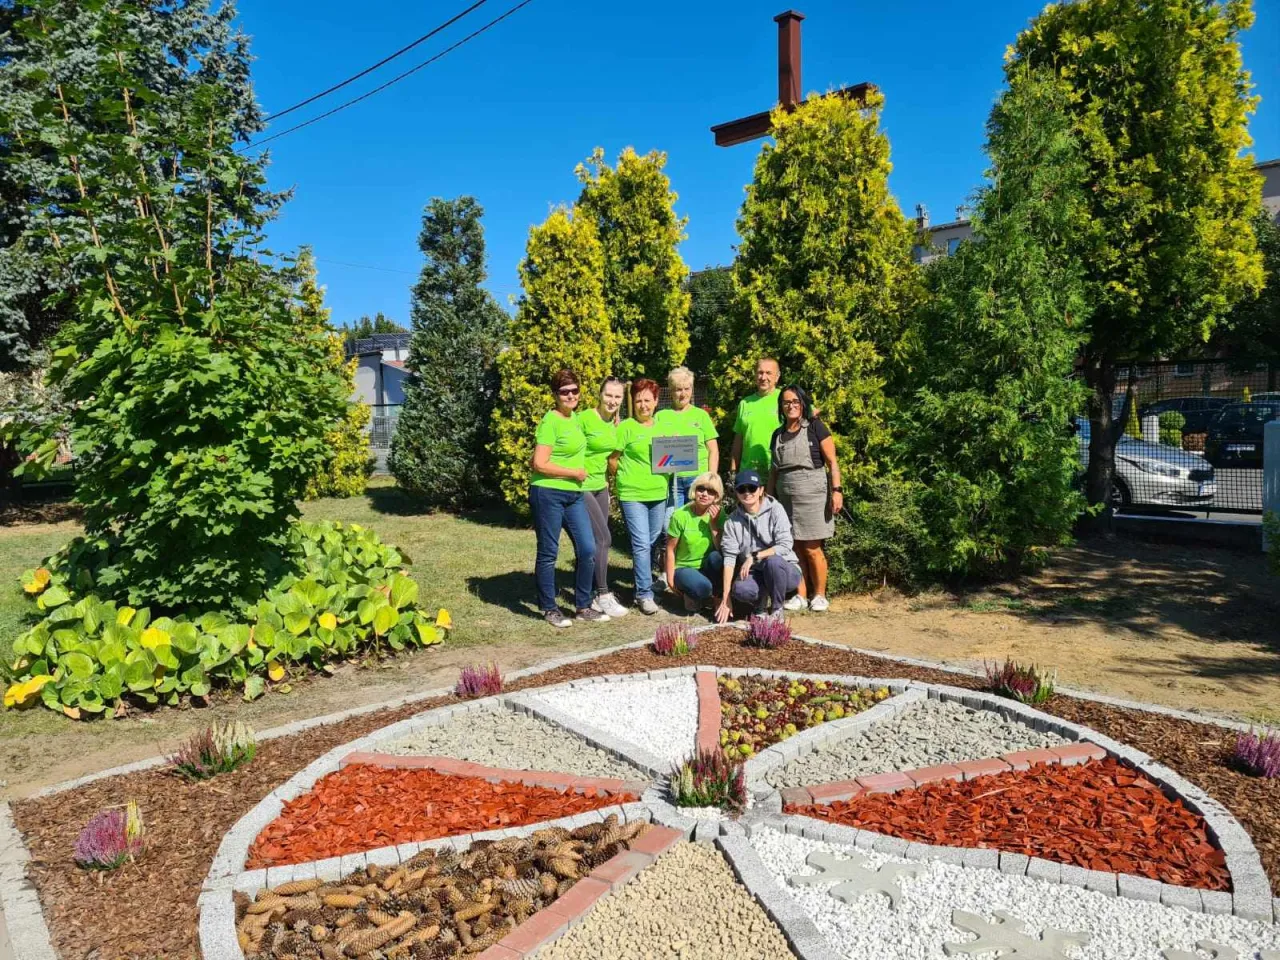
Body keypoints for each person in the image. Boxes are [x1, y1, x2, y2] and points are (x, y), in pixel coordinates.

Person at [529, 369, 609, 628]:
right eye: (565, 392)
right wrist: (573, 472)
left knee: (587, 549)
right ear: (555, 395)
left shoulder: (575, 419)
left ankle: (583, 606)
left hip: (573, 494)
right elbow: (538, 463)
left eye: (575, 390)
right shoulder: (550, 421)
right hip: (548, 492)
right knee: (549, 553)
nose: (571, 395)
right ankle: (549, 608)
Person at [768, 385, 842, 613]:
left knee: (812, 547)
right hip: (786, 498)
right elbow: (774, 471)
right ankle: (800, 594)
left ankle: (819, 595)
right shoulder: (777, 434)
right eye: (786, 402)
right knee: (794, 548)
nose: (791, 406)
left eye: (795, 402)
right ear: (781, 407)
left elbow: (832, 463)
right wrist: (769, 499)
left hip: (813, 495)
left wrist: (837, 490)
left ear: (803, 404)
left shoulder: (816, 428)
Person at [714, 470, 803, 623]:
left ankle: (776, 609)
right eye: (742, 489)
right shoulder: (732, 521)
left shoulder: (776, 509)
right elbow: (729, 559)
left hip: (784, 568)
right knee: (741, 590)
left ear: (761, 490)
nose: (747, 493)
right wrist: (726, 597)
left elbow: (785, 544)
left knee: (772, 562)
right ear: (736, 493)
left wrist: (754, 556)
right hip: (756, 572)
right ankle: (760, 606)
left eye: (752, 488)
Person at [609, 378, 667, 614]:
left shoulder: (662, 427)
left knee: (652, 540)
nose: (643, 405)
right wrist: (623, 478)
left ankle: (645, 581)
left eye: (647, 400)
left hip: (658, 492)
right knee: (641, 543)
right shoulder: (625, 428)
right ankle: (643, 594)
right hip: (632, 493)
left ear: (655, 402)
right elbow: (613, 459)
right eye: (638, 400)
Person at [580, 376, 630, 619]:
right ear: (600, 395)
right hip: (581, 486)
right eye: (608, 395)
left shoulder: (616, 424)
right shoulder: (584, 419)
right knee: (604, 539)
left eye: (617, 396)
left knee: (593, 542)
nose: (612, 400)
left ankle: (589, 592)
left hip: (601, 485)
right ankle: (603, 594)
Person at [655, 366, 719, 511]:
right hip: (672, 481)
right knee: (670, 524)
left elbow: (713, 450)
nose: (683, 394)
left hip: (697, 480)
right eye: (678, 389)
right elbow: (654, 448)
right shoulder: (660, 416)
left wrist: (711, 480)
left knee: (696, 522)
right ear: (671, 391)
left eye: (687, 388)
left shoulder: (701, 415)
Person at [664, 472, 725, 612]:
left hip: (706, 566)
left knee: (717, 557)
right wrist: (670, 578)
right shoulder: (680, 515)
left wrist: (713, 524)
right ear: (694, 490)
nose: (704, 494)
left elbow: (721, 548)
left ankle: (715, 597)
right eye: (701, 489)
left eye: (710, 491)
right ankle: (695, 593)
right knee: (703, 588)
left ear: (716, 496)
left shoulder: (719, 514)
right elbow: (670, 549)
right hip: (684, 567)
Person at [730, 357, 781, 476]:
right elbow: (739, 439)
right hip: (748, 473)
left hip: (777, 472)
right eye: (760, 372)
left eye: (768, 373)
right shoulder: (745, 403)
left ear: (777, 377)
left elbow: (812, 414)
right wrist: (733, 470)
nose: (763, 377)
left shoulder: (786, 399)